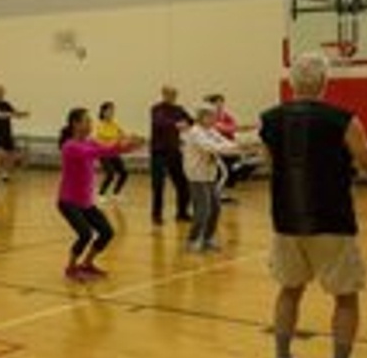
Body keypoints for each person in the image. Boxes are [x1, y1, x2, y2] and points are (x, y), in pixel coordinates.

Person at [260, 53, 367, 358]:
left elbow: (270, 163)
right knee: (345, 298)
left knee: (289, 290)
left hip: (286, 220)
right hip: (333, 221)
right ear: (325, 82)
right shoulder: (343, 120)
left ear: (293, 82)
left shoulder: (269, 120)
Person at [57, 108, 143, 281]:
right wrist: (121, 144)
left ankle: (87, 264)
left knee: (107, 232)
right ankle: (71, 268)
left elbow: (108, 150)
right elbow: (95, 153)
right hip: (68, 201)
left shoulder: (90, 142)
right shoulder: (70, 146)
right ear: (75, 124)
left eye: (90, 121)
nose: (90, 124)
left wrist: (131, 146)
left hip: (85, 202)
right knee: (85, 234)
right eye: (86, 121)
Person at [182, 104, 244, 252]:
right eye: (211, 116)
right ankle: (193, 240)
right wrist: (238, 147)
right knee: (203, 209)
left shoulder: (210, 131)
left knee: (215, 208)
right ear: (202, 117)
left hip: (209, 174)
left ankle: (207, 238)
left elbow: (224, 142)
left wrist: (240, 145)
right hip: (197, 175)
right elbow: (211, 147)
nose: (214, 119)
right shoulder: (195, 132)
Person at [150, 85, 192, 225]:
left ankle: (182, 213)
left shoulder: (179, 109)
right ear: (163, 94)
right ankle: (156, 215)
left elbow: (191, 121)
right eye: (169, 94)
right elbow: (160, 122)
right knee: (158, 185)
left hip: (174, 151)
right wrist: (177, 124)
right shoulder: (156, 108)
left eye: (174, 94)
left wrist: (185, 123)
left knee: (182, 183)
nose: (172, 96)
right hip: (159, 153)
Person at [206, 93, 256, 200]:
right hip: (216, 149)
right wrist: (248, 127)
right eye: (217, 103)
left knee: (232, 169)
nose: (220, 105)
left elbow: (233, 128)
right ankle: (217, 193)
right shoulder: (210, 118)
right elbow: (228, 129)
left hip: (228, 147)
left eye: (221, 102)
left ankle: (220, 192)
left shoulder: (226, 116)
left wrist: (239, 143)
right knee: (223, 172)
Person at [0, 85, 29, 182]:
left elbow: (14, 113)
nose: (0, 93)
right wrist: (11, 114)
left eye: (2, 91)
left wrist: (22, 114)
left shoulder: (6, 104)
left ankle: (6, 174)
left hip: (6, 133)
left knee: (10, 154)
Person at [94, 101, 129, 202]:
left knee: (124, 173)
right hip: (104, 154)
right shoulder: (100, 125)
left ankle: (116, 193)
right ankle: (101, 194)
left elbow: (123, 136)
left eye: (112, 111)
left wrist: (129, 139)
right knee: (110, 173)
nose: (111, 113)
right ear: (103, 112)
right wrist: (115, 141)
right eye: (109, 110)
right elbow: (101, 141)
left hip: (114, 154)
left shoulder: (115, 125)